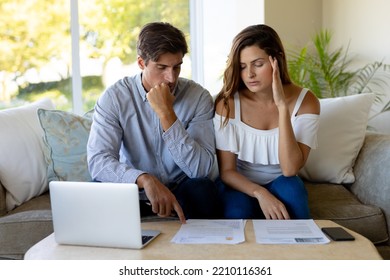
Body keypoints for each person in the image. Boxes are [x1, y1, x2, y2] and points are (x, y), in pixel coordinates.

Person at [87, 22, 220, 224]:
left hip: (182, 190)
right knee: (96, 189)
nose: (171, 77)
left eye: (177, 67)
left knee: (203, 188)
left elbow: (202, 170)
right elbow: (98, 161)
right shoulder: (114, 98)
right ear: (141, 63)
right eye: (162, 67)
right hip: (135, 191)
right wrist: (143, 179)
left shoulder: (198, 97)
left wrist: (167, 114)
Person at [213, 24, 320, 220]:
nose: (249, 74)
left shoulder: (306, 101)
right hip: (241, 184)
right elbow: (227, 171)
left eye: (258, 64)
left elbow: (289, 169)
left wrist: (282, 107)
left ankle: (302, 250)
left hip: (283, 181)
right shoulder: (227, 104)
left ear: (276, 60)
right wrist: (261, 193)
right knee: (237, 212)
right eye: (243, 66)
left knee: (292, 190)